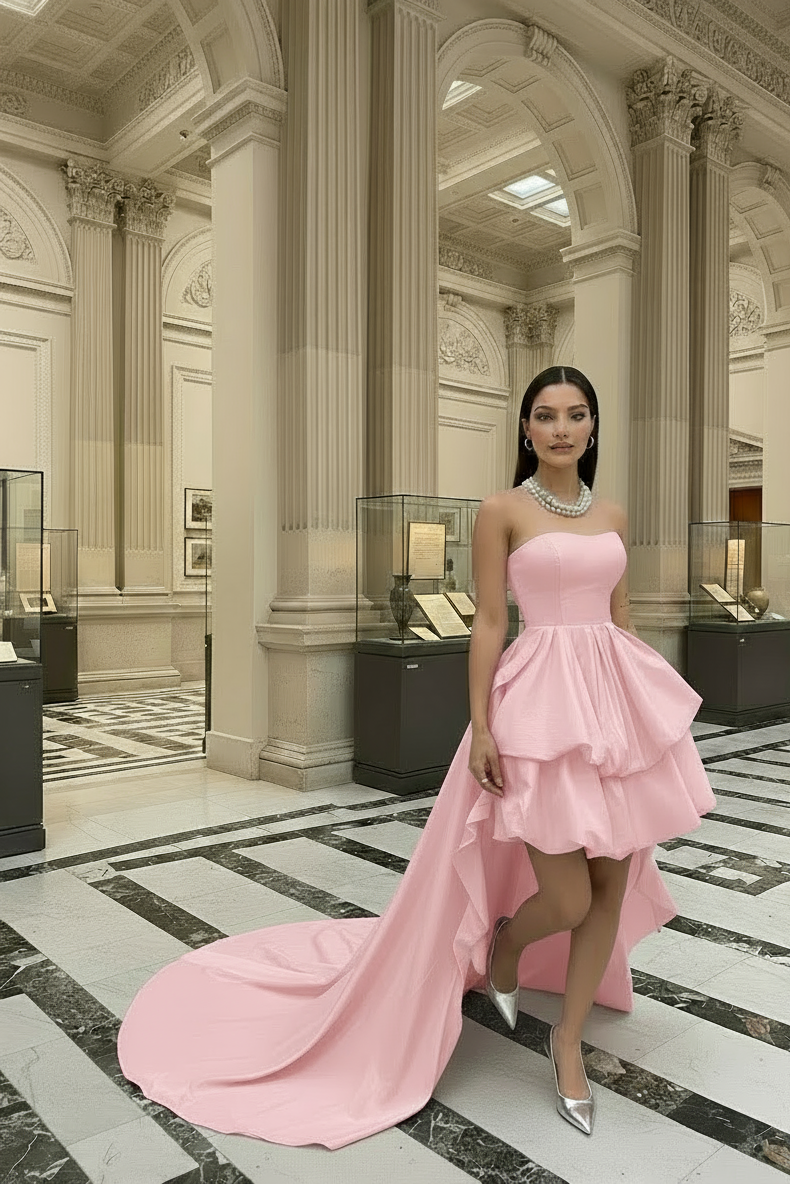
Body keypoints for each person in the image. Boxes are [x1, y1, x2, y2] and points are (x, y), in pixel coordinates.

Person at [118, 365, 715, 1148]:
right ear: (526, 431)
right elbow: (493, 622)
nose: (562, 428)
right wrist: (483, 724)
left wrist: (648, 710)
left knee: (612, 881)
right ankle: (505, 944)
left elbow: (621, 612)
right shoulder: (502, 510)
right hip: (537, 709)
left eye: (576, 415)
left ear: (593, 429)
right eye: (545, 415)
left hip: (613, 706)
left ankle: (567, 1042)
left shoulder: (612, 512)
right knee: (565, 897)